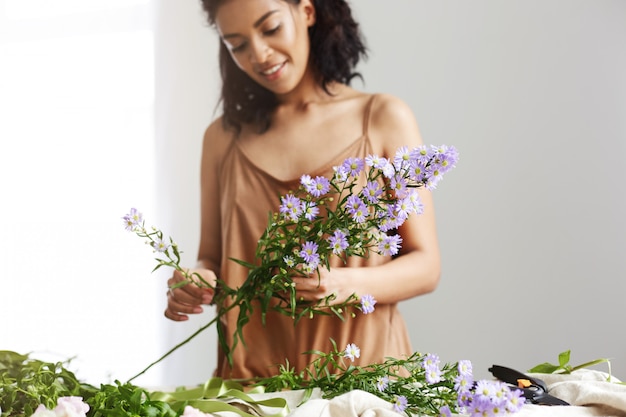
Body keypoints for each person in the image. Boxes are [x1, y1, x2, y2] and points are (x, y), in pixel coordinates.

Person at [165, 0, 441, 380]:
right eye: (237, 44)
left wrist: (343, 284)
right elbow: (211, 258)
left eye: (270, 29)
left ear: (307, 11)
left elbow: (426, 265)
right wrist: (196, 281)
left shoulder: (383, 119)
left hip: (364, 386)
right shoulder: (221, 138)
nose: (259, 55)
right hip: (253, 393)